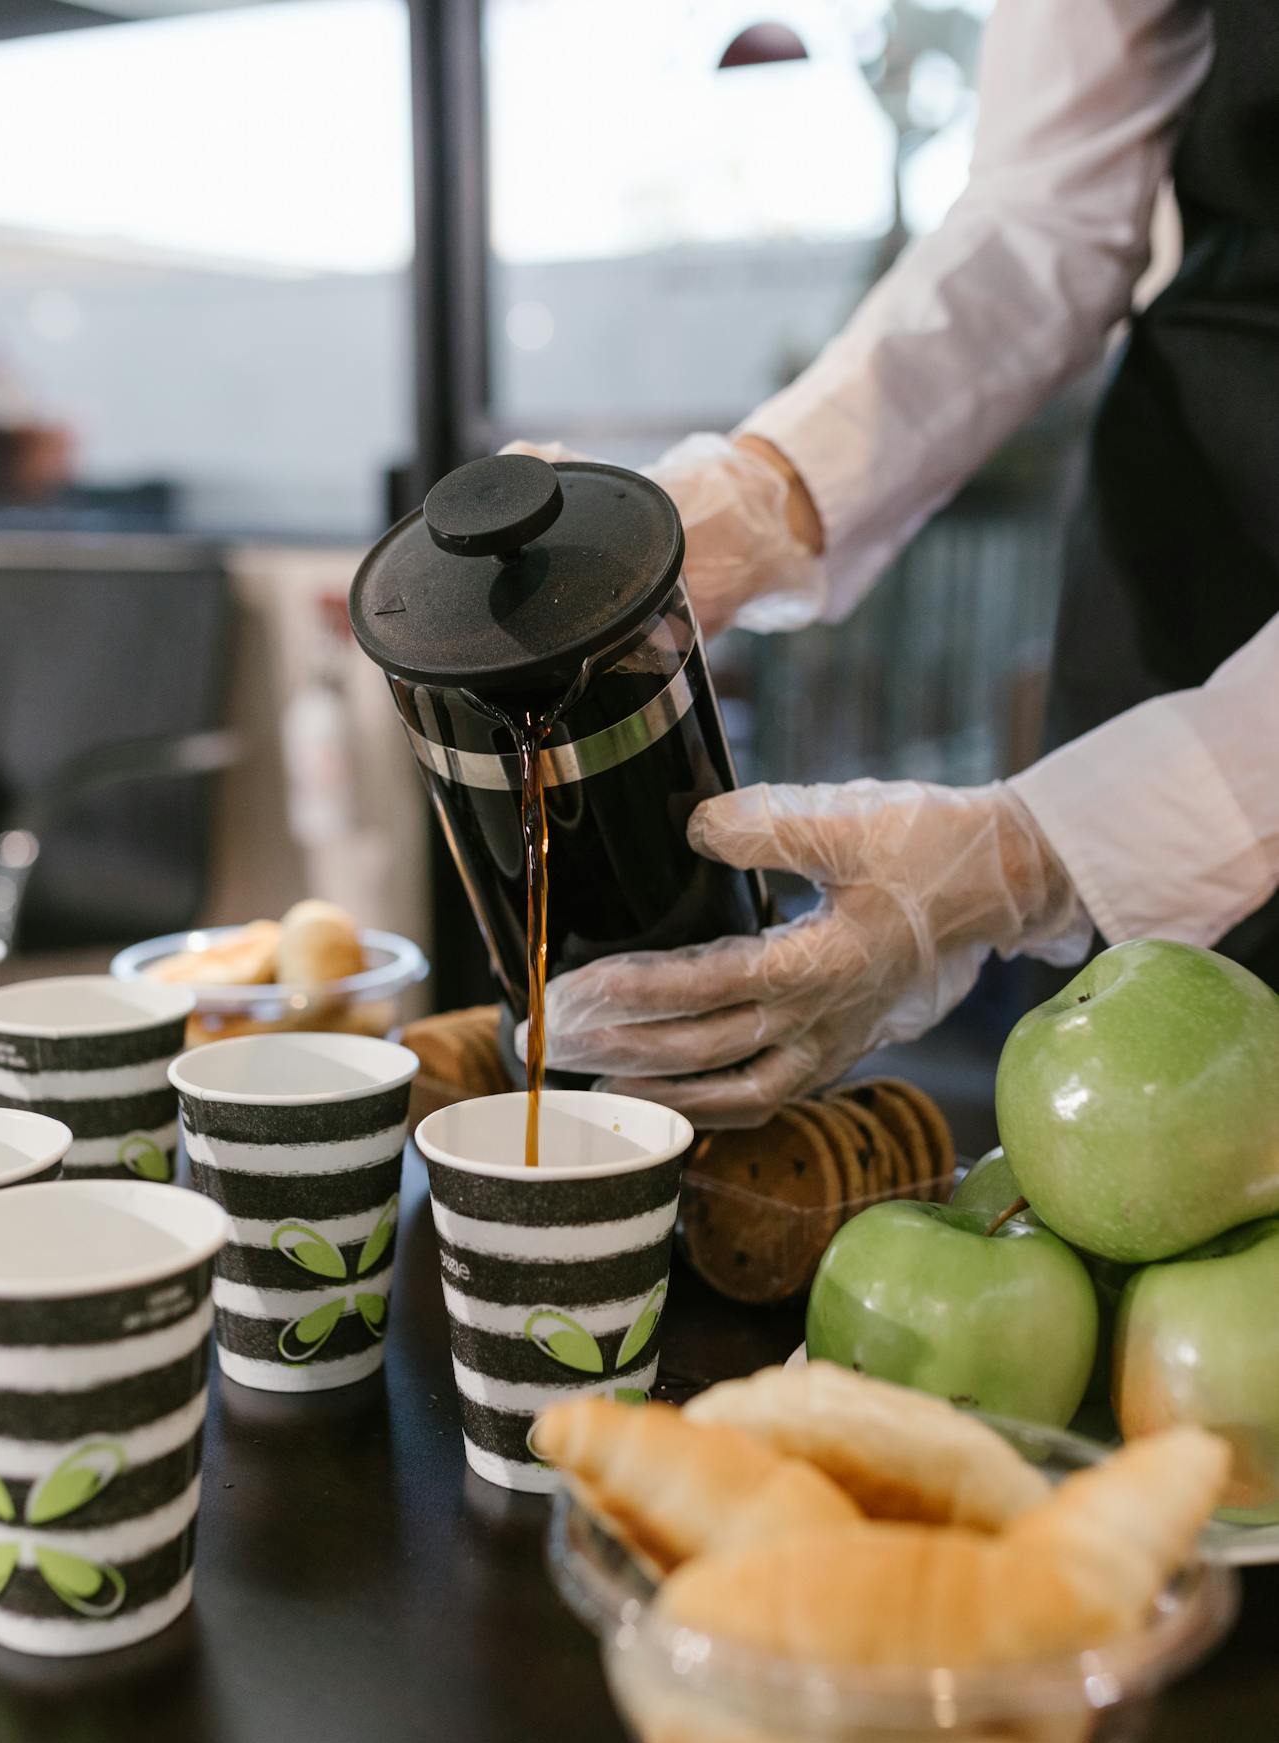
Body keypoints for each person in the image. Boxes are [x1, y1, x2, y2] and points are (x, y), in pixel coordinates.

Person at [511, 0, 1279, 1127]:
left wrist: (1042, 849)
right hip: (1198, 508)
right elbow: (1046, 209)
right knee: (1127, 1119)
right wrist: (759, 494)